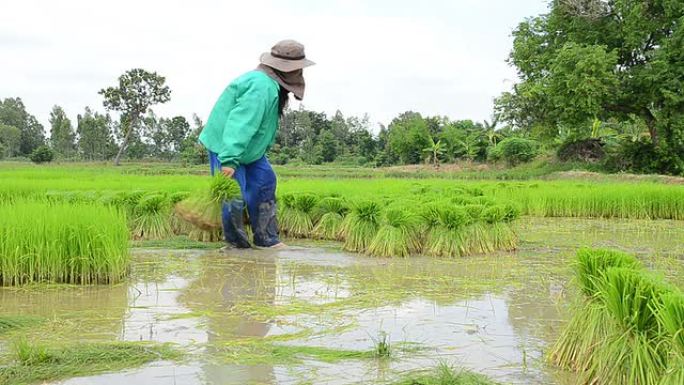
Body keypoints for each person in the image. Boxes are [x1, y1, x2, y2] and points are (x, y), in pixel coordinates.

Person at [199, 40, 314, 249]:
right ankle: (237, 245)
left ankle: (266, 239)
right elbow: (241, 124)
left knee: (265, 181)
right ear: (285, 69)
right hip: (228, 147)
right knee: (233, 195)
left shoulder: (271, 85)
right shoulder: (261, 87)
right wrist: (229, 161)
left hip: (250, 150)